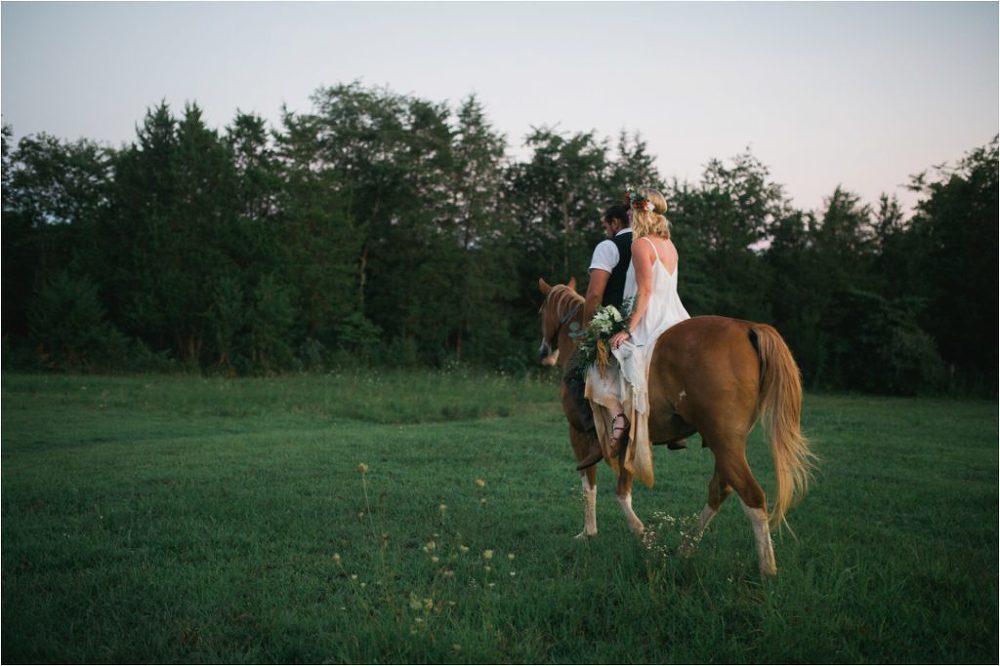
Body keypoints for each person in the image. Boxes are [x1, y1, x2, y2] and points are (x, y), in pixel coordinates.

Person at [583, 188, 691, 476]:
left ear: (641, 212)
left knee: (600, 362)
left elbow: (644, 292)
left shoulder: (641, 245)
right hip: (674, 316)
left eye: (632, 209)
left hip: (649, 319)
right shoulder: (669, 245)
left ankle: (618, 419)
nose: (628, 213)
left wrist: (628, 330)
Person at [563, 203, 633, 435]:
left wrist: (587, 327)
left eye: (606, 226)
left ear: (615, 223)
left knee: (574, 372)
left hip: (617, 322)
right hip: (650, 320)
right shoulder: (651, 245)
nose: (606, 232)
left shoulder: (609, 246)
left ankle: (593, 431)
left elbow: (593, 294)